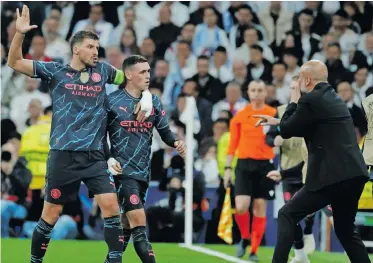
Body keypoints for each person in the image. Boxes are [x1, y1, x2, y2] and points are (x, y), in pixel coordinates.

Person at [7, 5, 152, 263]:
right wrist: (19, 34)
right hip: (63, 156)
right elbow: (14, 62)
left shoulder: (104, 72)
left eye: (97, 48)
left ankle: (114, 260)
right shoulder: (56, 72)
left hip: (94, 156)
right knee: (49, 216)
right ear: (76, 49)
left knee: (110, 207)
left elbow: (132, 79)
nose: (96, 52)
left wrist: (147, 96)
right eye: (90, 47)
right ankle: (35, 261)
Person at [255, 60, 370, 263]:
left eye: (299, 77)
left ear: (307, 79)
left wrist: (293, 98)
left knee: (287, 215)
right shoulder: (332, 98)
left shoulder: (311, 99)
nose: (298, 81)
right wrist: (278, 122)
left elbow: (289, 130)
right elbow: (300, 125)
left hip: (331, 175)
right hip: (354, 174)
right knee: (345, 231)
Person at [105, 55, 186, 263]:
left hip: (143, 173)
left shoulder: (153, 101)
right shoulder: (112, 101)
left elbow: (166, 133)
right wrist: (108, 158)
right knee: (139, 225)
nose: (148, 75)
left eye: (149, 71)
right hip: (123, 173)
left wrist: (176, 142)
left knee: (126, 225)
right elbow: (97, 136)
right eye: (142, 72)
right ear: (129, 75)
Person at [224, 80, 277, 262]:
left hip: (265, 165)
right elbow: (233, 144)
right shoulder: (241, 115)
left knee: (260, 207)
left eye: (260, 90)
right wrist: (227, 168)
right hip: (244, 164)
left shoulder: (272, 114)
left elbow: (279, 137)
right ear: (248, 92)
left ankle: (254, 250)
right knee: (241, 207)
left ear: (265, 93)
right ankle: (245, 237)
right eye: (253, 90)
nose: (256, 93)